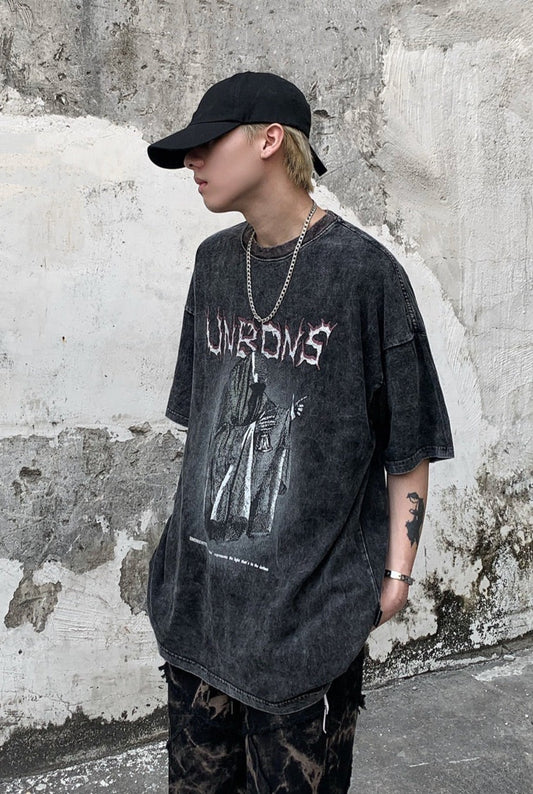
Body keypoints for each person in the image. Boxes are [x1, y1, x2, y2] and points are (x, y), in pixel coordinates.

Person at [146, 71, 454, 793]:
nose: (191, 160)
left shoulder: (364, 275)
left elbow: (407, 444)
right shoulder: (213, 265)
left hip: (306, 624)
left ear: (269, 140)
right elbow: (202, 431)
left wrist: (396, 574)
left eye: (207, 143)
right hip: (200, 614)